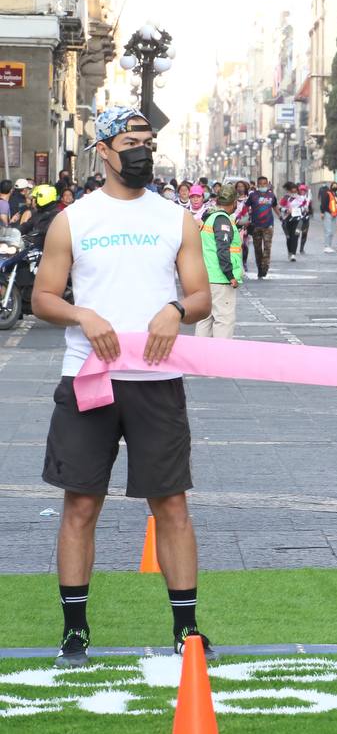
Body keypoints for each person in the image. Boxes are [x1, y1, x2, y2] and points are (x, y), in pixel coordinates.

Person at [32, 106, 214, 668]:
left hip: (157, 381)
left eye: (147, 141)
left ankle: (186, 632)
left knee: (172, 504)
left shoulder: (176, 218)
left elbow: (202, 297)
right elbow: (43, 298)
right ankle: (75, 631)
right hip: (89, 379)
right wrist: (82, 316)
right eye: (130, 141)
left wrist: (176, 309)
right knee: (81, 504)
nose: (142, 150)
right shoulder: (73, 219)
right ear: (104, 151)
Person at [195, 184, 243, 339]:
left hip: (205, 277)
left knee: (205, 319)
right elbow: (223, 250)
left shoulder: (209, 216)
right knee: (224, 320)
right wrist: (230, 275)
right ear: (234, 202)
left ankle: (200, 356)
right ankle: (221, 357)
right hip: (220, 279)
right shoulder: (222, 220)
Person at [246, 176, 281, 279]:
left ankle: (265, 267)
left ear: (267, 184)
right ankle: (259, 268)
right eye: (260, 184)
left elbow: (275, 206)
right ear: (257, 185)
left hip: (268, 226)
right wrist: (246, 217)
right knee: (257, 249)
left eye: (264, 184)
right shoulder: (253, 196)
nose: (262, 186)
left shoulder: (271, 195)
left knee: (267, 248)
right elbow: (246, 207)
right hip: (256, 226)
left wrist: (280, 216)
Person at [281, 182, 306, 262]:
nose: (294, 192)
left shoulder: (301, 198)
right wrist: (286, 210)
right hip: (287, 220)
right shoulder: (286, 198)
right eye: (292, 191)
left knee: (295, 236)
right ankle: (290, 252)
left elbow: (305, 209)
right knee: (289, 237)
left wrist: (300, 210)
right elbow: (279, 207)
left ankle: (293, 254)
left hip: (299, 220)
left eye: (295, 190)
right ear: (289, 190)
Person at [320, 182, 337, 253]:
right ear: (331, 186)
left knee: (332, 231)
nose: (335, 187)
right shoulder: (327, 193)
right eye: (334, 186)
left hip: (334, 215)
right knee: (328, 231)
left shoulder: (336, 195)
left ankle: (329, 246)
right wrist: (322, 212)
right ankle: (326, 246)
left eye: (336, 186)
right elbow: (323, 203)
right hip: (328, 213)